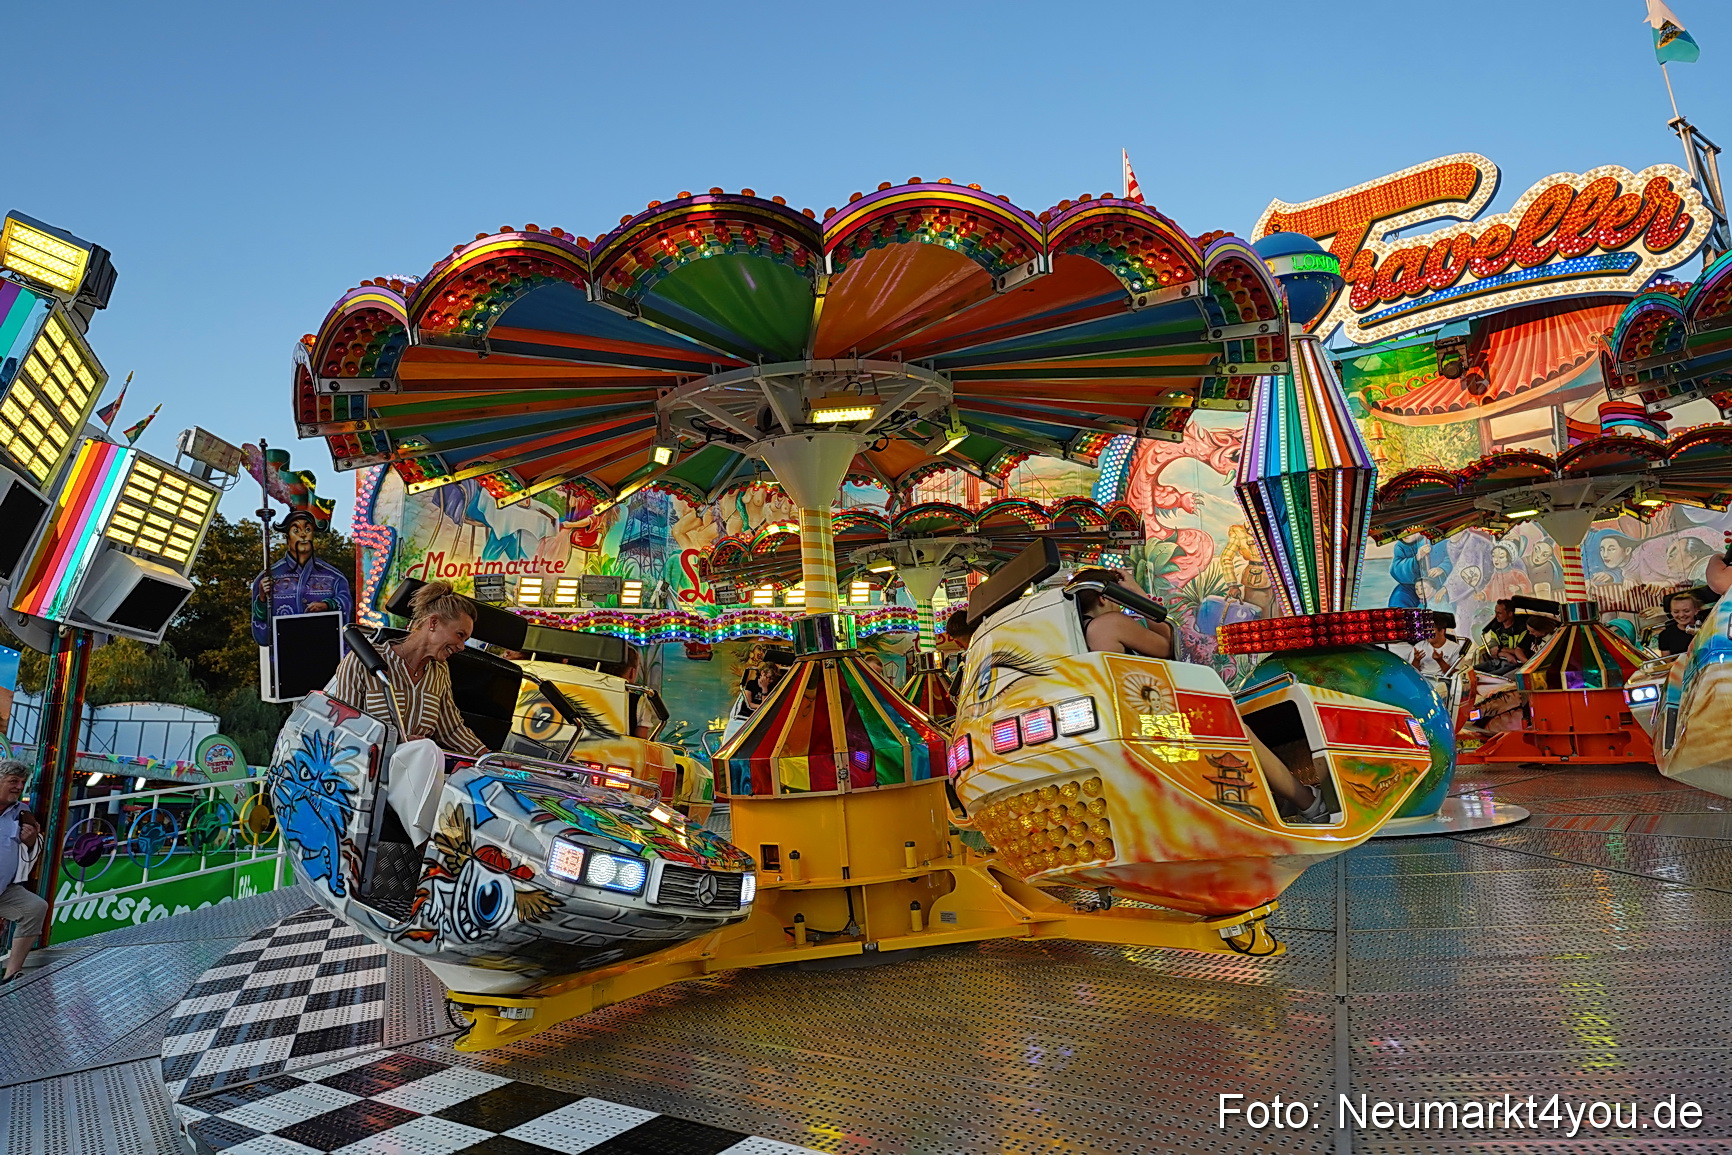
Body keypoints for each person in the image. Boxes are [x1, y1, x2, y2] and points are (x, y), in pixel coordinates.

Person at [325, 582, 488, 843]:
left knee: (462, 778)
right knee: (426, 750)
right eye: (460, 635)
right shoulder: (364, 660)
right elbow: (341, 729)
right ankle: (432, 843)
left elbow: (451, 729)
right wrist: (396, 742)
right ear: (433, 623)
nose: (461, 646)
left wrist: (488, 758)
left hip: (416, 772)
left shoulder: (439, 673)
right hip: (368, 768)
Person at [251, 510, 355, 645]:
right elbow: (262, 636)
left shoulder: (334, 577)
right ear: (287, 537)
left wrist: (328, 605)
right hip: (285, 653)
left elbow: (346, 605)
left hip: (326, 649)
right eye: (296, 530)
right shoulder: (268, 577)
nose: (303, 534)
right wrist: (262, 599)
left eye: (308, 529)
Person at [0, 761, 44, 984]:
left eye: (22, 782)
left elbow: (35, 848)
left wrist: (31, 841)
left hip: (4, 888)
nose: (19, 786)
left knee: (35, 908)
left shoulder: (22, 812)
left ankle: (12, 975)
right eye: (13, 781)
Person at [1073, 568, 1173, 659]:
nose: (1120, 608)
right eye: (1118, 601)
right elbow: (1168, 648)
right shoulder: (1111, 623)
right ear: (1103, 598)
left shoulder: (1075, 630)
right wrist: (1136, 591)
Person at [1476, 599, 1528, 674]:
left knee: (1489, 677)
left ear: (1510, 614)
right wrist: (1506, 654)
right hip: (1498, 660)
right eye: (1495, 612)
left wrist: (1500, 649)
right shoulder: (1495, 627)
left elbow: (1519, 651)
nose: (1496, 616)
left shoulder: (1521, 629)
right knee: (1472, 671)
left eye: (1499, 613)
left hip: (1514, 664)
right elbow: (1492, 650)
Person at [1407, 613, 1466, 677]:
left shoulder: (1455, 648)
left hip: (1442, 680)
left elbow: (1456, 674)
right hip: (1422, 679)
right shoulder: (1419, 646)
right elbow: (1411, 672)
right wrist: (1416, 660)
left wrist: (1440, 661)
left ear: (1442, 631)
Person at [1657, 591, 1702, 656]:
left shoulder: (1707, 627)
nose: (1681, 615)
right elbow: (1667, 660)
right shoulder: (1665, 635)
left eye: (1686, 611)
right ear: (1671, 612)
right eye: (1676, 612)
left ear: (1696, 611)